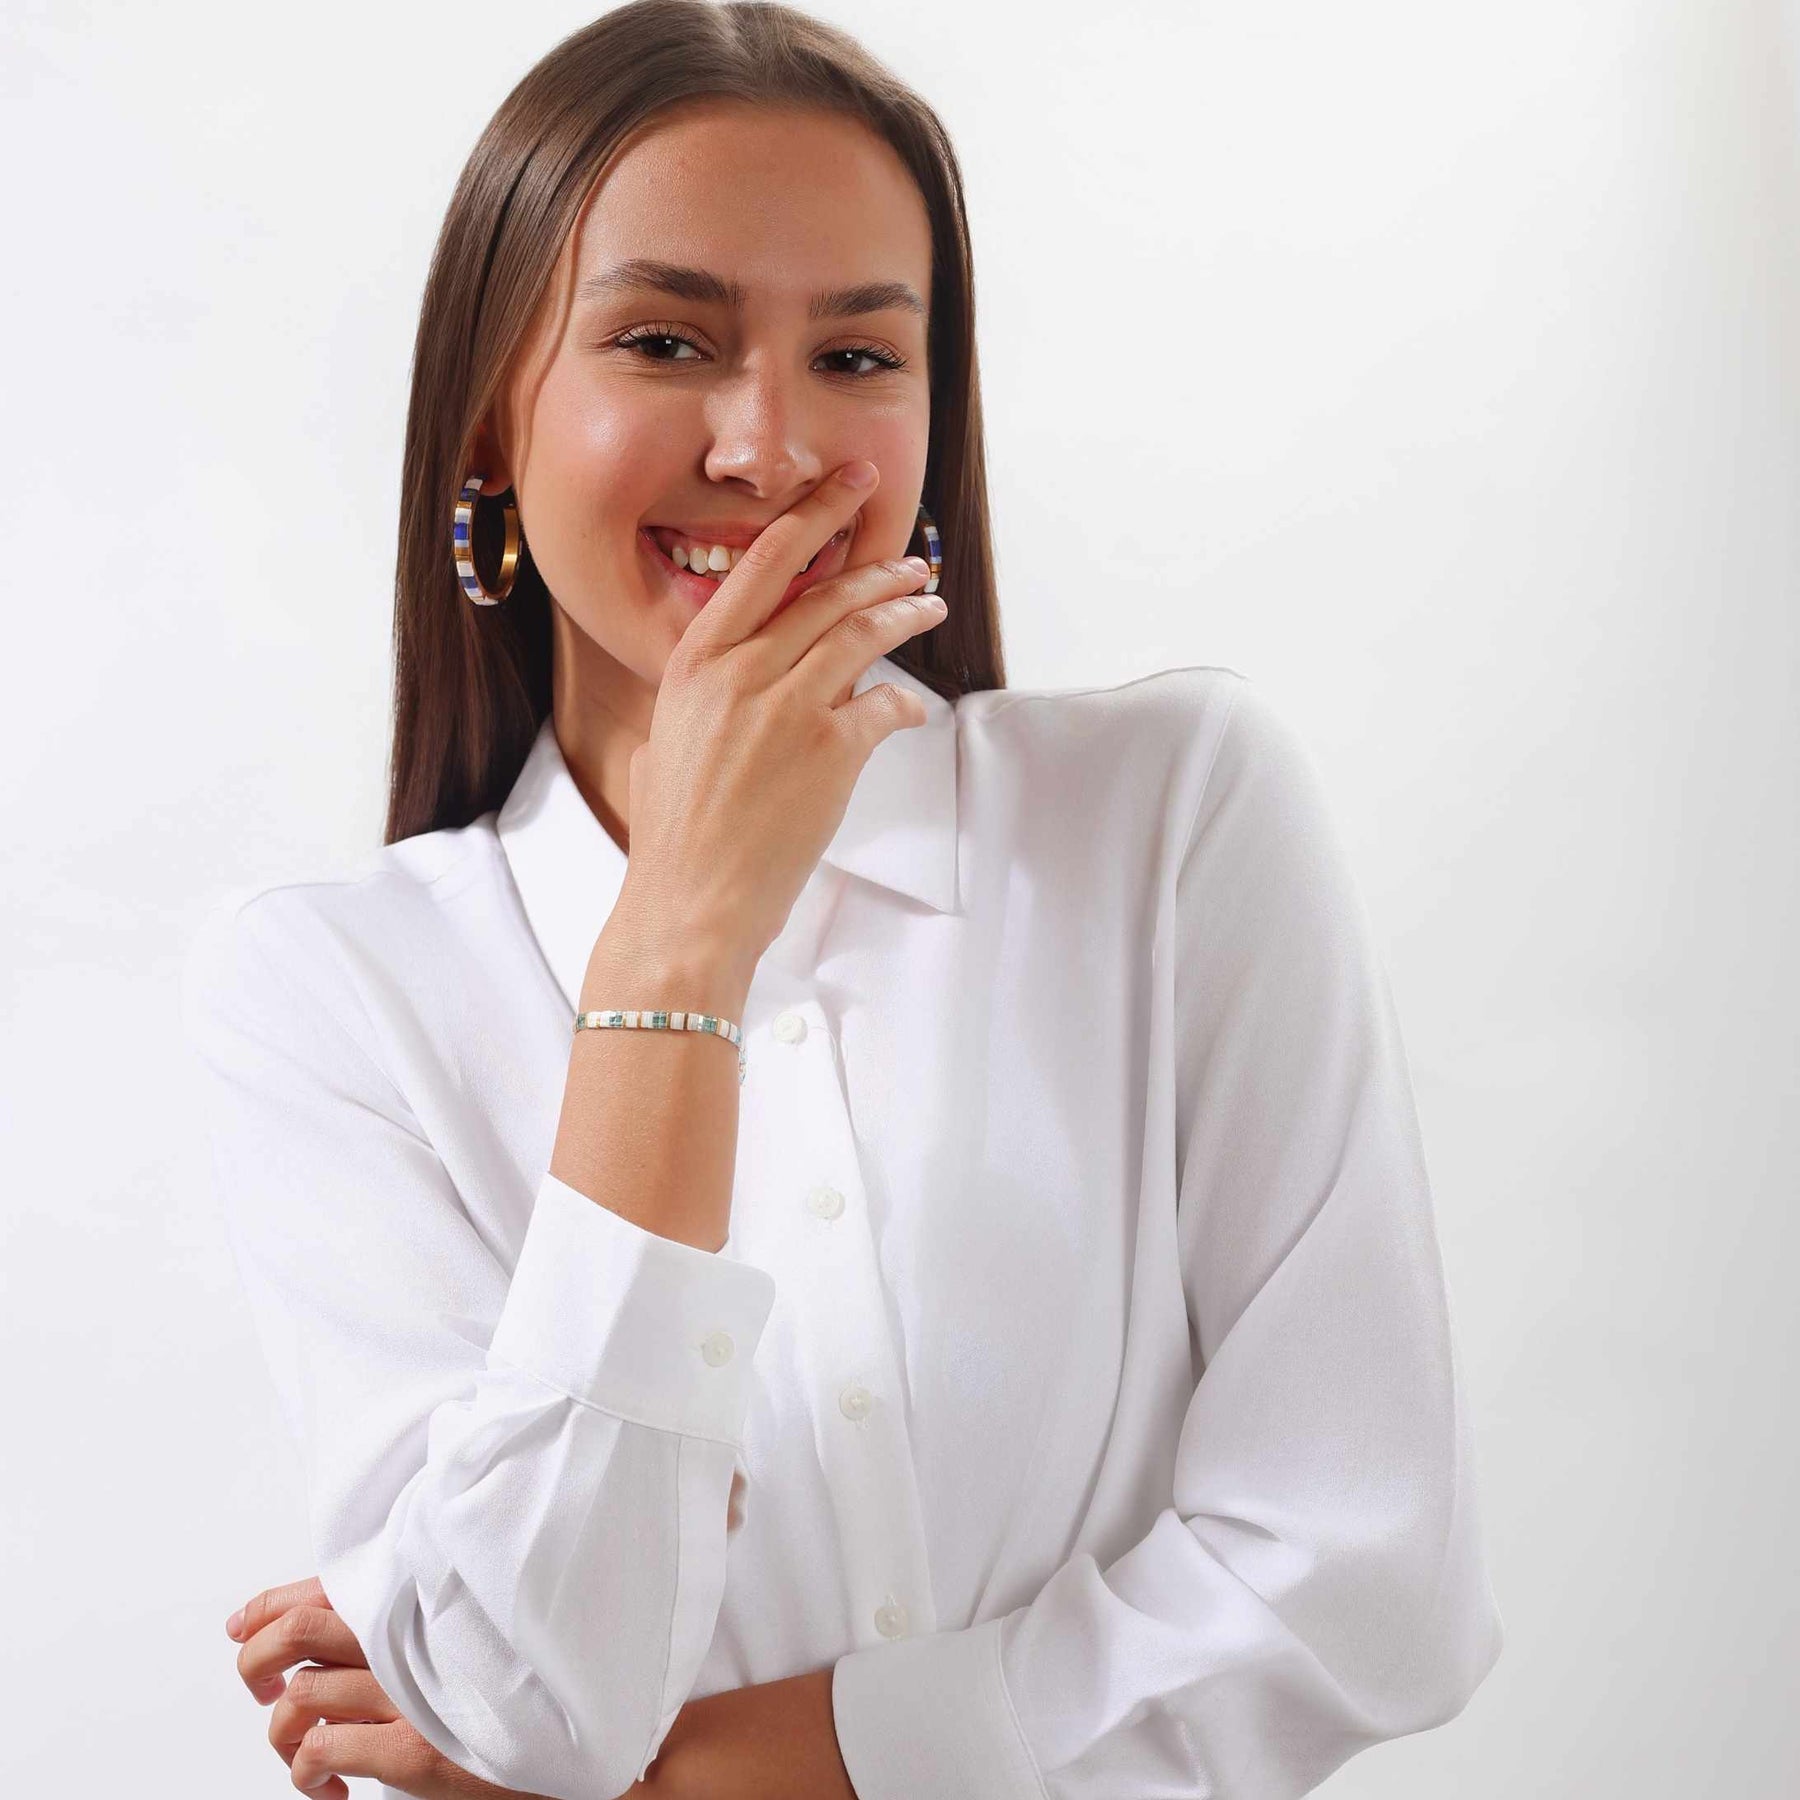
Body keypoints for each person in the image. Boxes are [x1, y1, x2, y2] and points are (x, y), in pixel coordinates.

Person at [180, 3, 1504, 1797]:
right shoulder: (336, 987)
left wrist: (683, 1775)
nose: (772, 445)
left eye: (860, 357)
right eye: (666, 340)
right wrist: (680, 938)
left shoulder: (1171, 816)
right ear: (489, 420)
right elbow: (528, 1685)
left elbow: (1364, 1584)